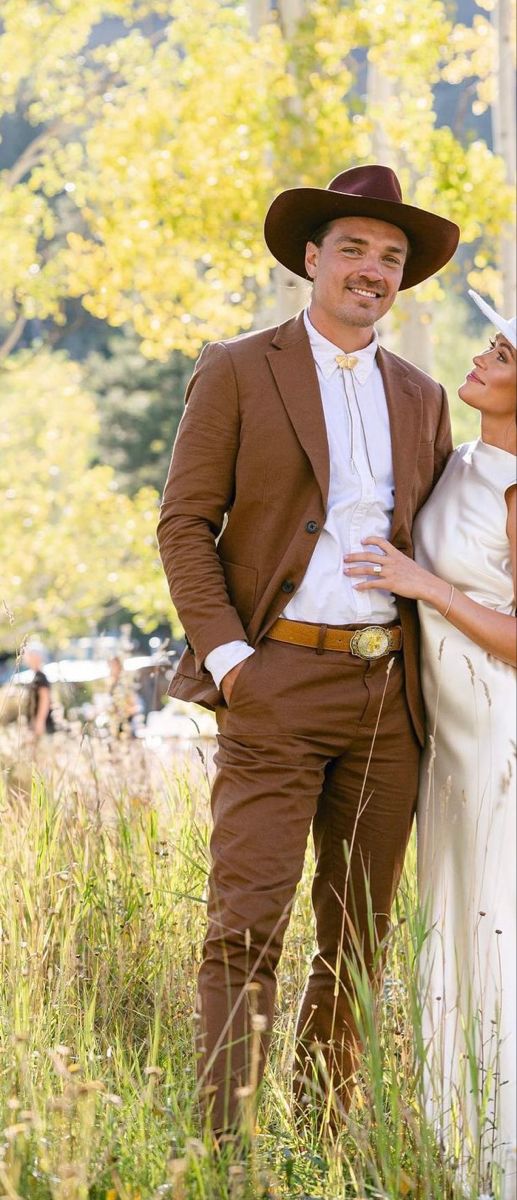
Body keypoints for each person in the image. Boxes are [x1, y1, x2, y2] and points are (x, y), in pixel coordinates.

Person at [157, 164, 459, 1137]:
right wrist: (234, 660)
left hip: (386, 701)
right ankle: (226, 1144)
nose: (372, 270)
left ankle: (322, 1139)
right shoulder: (239, 367)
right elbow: (184, 525)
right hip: (275, 682)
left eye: (391, 258)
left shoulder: (421, 395)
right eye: (356, 250)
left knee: (359, 936)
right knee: (246, 923)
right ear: (312, 258)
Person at [344, 291, 516, 1195]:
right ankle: (452, 1153)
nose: (482, 361)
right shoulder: (462, 460)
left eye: (501, 357)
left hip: (496, 742)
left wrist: (422, 585)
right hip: (444, 740)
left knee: (495, 937)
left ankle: (500, 1161)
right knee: (449, 932)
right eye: (488, 344)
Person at [24, 641, 55, 737]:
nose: (26, 658)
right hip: (36, 724)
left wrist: (39, 722)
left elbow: (44, 700)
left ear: (36, 657)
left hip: (43, 726)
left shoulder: (40, 678)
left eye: (29, 655)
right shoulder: (36, 676)